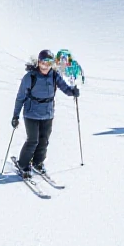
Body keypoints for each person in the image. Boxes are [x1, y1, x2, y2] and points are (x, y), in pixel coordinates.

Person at [12, 49, 79, 177]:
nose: (45, 66)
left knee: (44, 140)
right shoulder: (30, 77)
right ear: (38, 62)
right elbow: (20, 97)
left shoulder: (54, 75)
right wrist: (15, 116)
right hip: (31, 113)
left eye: (48, 64)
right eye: (43, 63)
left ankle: (38, 162)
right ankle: (23, 164)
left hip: (47, 113)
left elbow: (64, 88)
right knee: (33, 140)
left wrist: (73, 92)